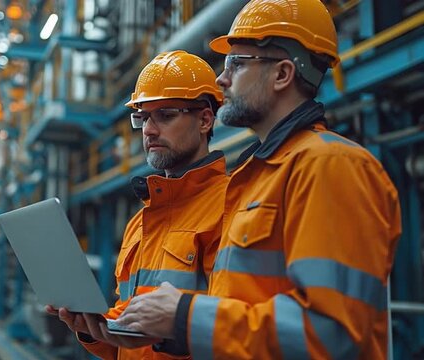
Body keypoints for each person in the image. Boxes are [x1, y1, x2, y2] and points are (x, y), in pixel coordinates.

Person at [115, 1, 402, 359]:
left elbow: (334, 335)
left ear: (282, 74)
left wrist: (184, 316)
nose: (221, 79)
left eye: (236, 63)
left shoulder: (330, 166)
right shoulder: (254, 180)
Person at [47, 50, 227, 359]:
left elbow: (231, 333)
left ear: (205, 119)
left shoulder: (232, 207)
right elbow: (130, 338)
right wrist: (92, 329)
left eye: (166, 115)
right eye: (142, 118)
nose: (149, 130)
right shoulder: (140, 222)